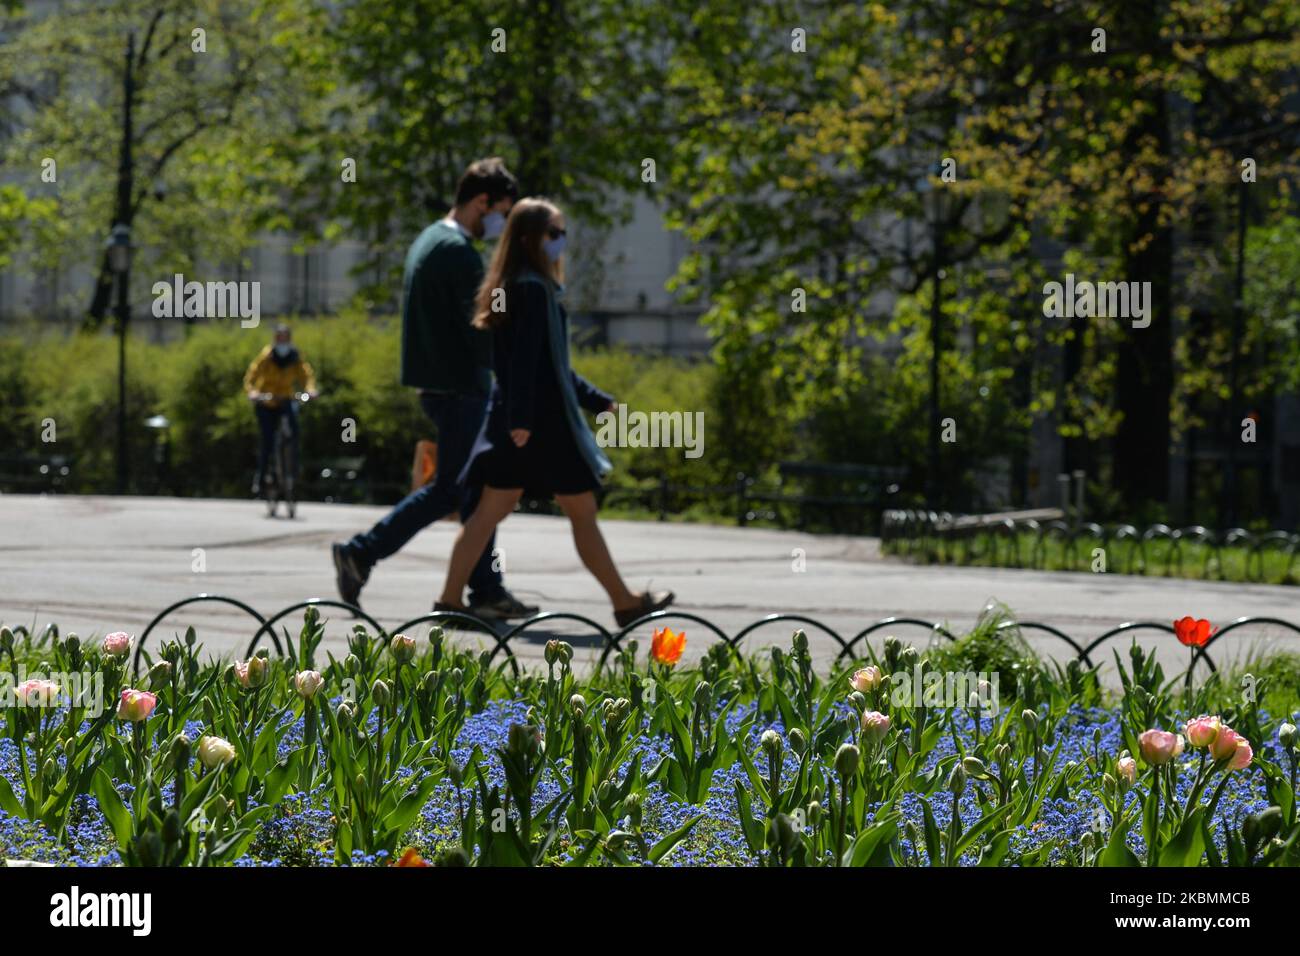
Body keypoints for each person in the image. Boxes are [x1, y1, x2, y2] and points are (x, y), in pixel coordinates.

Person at [435, 197, 673, 628]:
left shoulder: (518, 285)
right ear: (530, 238)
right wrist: (523, 419)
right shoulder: (530, 288)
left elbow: (549, 365)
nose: (562, 241)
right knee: (578, 511)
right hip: (541, 426)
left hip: (522, 421)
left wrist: (598, 401)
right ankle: (624, 602)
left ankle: (450, 601)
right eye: (555, 233)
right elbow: (525, 361)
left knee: (489, 511)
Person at [331, 158, 536, 620]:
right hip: (462, 386)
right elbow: (481, 329)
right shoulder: (459, 251)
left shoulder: (431, 237)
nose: (502, 222)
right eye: (501, 210)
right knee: (453, 490)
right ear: (482, 202)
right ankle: (361, 552)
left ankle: (486, 590)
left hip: (441, 383)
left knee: (472, 492)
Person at [244, 324, 317, 496]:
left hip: (286, 399)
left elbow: (306, 376)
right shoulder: (266, 356)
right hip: (266, 401)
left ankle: (293, 469)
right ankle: (261, 477)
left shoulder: (295, 356)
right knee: (267, 440)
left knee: (294, 431)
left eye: (285, 338)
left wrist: (311, 390)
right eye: (279, 338)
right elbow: (251, 377)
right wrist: (253, 392)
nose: (282, 341)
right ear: (275, 339)